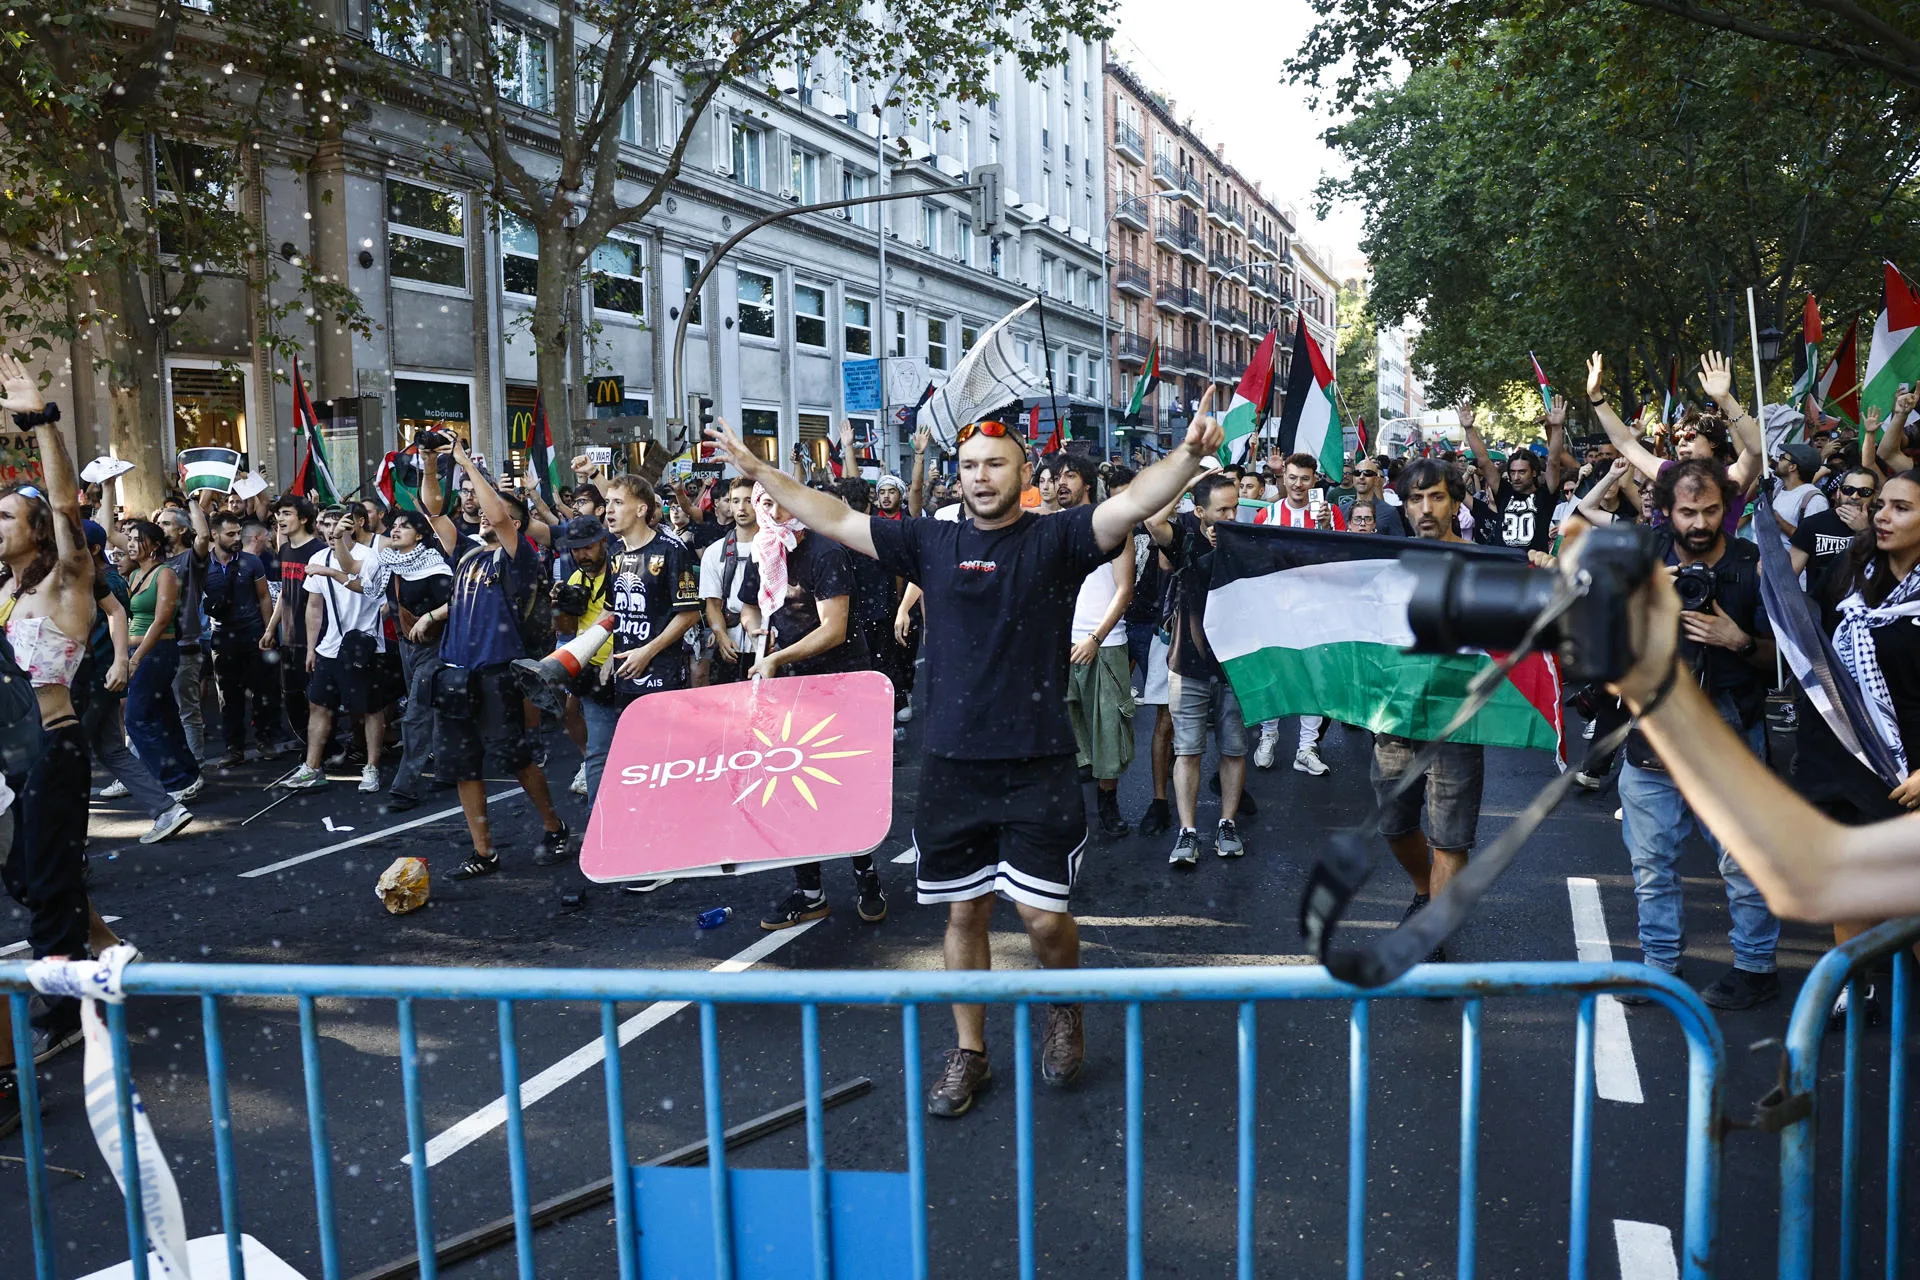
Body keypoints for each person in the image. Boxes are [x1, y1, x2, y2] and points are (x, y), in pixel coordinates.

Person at [705, 392, 1226, 1120]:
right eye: (970, 465)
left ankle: (1064, 1006)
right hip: (951, 766)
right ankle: (971, 1052)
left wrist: (1190, 457)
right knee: (964, 915)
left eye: (996, 464)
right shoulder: (930, 540)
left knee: (1044, 921)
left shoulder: (1060, 538)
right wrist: (762, 468)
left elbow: (1133, 502)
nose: (981, 476)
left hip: (1037, 763)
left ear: (1024, 472)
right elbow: (831, 515)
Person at [1613, 458, 1782, 1009]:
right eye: (1688, 511)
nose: (1701, 523)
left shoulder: (1753, 564)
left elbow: (1786, 662)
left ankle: (1756, 968)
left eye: (1712, 509)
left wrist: (1738, 640)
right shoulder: (1641, 559)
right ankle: (1659, 966)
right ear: (1666, 511)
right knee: (1650, 865)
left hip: (1731, 737)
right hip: (1655, 742)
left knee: (1744, 862)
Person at [0, 357, 107, 1061]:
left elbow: (69, 505)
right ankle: (110, 954)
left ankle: (67, 1009)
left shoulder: (63, 586)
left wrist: (39, 422)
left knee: (46, 880)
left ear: (36, 530)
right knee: (29, 874)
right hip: (8, 759)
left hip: (52, 749)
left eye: (7, 513)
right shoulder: (2, 593)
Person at [420, 440, 572, 878]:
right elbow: (434, 511)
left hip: (496, 673)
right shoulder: (466, 551)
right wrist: (432, 464)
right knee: (464, 766)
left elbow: (502, 515)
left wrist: (468, 461)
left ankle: (554, 826)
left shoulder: (519, 556)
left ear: (518, 523)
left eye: (495, 510)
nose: (484, 513)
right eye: (483, 508)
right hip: (456, 673)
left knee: (516, 759)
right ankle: (484, 851)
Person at [742, 482, 887, 928]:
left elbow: (833, 629)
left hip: (839, 681)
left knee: (841, 786)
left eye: (780, 501)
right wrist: (756, 634)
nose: (772, 510)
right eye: (764, 502)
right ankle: (810, 893)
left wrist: (777, 656)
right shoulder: (762, 549)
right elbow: (750, 607)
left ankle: (866, 878)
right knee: (789, 788)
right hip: (788, 685)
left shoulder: (824, 551)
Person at [1370, 459, 1490, 961]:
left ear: (1455, 502)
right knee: (1395, 824)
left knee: (1450, 836)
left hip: (1457, 720)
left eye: (1436, 497)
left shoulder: (1484, 563)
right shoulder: (1380, 561)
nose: (1425, 508)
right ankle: (1424, 891)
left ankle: (1432, 938)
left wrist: (1546, 569)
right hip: (1395, 716)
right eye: (1415, 498)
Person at [1146, 472, 1248, 866]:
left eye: (1235, 507)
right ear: (1199, 511)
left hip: (1236, 665)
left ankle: (1227, 823)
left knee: (1234, 749)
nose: (1230, 515)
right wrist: (1187, 480)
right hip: (1187, 663)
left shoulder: (1246, 543)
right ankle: (1187, 832)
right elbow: (1154, 522)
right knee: (1187, 751)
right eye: (1222, 509)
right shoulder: (1185, 541)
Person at [78, 522, 192, 843]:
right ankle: (167, 808)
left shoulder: (106, 581)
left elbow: (156, 620)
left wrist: (130, 659)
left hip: (106, 674)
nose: (129, 545)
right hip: (111, 670)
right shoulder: (116, 576)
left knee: (133, 724)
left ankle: (68, 836)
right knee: (115, 749)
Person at [285, 505, 391, 792]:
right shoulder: (319, 557)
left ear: (352, 527)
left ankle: (371, 767)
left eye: (337, 524)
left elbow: (369, 589)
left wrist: (370, 630)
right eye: (327, 525)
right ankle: (312, 767)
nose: (331, 530)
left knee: (369, 708)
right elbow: (314, 608)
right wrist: (311, 648)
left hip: (364, 647)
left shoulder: (369, 557)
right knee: (318, 704)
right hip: (330, 647)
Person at [1057, 455, 1135, 840]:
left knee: (1108, 730)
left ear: (1087, 482)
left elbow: (1124, 589)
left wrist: (1096, 637)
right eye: (1055, 476)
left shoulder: (1112, 525)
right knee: (1063, 732)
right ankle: (1070, 808)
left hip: (1104, 644)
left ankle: (1108, 805)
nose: (1060, 482)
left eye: (1069, 475)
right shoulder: (1048, 527)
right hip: (1058, 645)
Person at [121, 518, 203, 801]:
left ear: (155, 546)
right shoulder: (134, 575)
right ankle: (187, 776)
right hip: (139, 652)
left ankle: (171, 780)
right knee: (164, 715)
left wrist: (136, 658)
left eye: (137, 539)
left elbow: (160, 621)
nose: (131, 544)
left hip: (156, 653)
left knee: (137, 719)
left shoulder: (165, 574)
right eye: (129, 539)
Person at [201, 506, 276, 767]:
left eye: (237, 533)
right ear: (214, 535)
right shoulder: (203, 565)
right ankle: (234, 748)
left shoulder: (251, 562)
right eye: (230, 534)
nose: (235, 538)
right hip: (222, 636)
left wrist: (268, 632)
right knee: (228, 695)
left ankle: (264, 740)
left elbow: (264, 596)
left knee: (261, 690)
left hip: (253, 633)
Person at [1459, 396, 1572, 554]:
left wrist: (1557, 427)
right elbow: (1484, 460)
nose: (1516, 477)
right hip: (1503, 568)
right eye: (1512, 472)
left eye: (1522, 472)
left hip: (1532, 568)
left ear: (1534, 472)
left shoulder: (1545, 495)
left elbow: (1553, 460)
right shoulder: (1504, 492)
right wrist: (1469, 429)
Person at [264, 494, 323, 750]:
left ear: (304, 518)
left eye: (287, 513)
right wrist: (270, 629)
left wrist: (313, 646)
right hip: (287, 637)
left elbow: (320, 602)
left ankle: (322, 751)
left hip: (313, 638)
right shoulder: (286, 549)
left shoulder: (318, 551)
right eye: (278, 514)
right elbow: (285, 593)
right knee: (291, 697)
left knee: (317, 700)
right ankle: (310, 747)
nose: (280, 518)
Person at [700, 476, 757, 686]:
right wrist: (721, 636)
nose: (741, 508)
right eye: (735, 501)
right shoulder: (715, 552)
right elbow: (712, 604)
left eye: (749, 500)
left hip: (771, 642)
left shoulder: (777, 548)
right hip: (732, 643)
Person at [1770, 443, 1830, 536]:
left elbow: (1811, 539)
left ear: (1792, 467)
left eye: (1782, 457)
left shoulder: (1815, 500)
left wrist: (1778, 520)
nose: (1778, 461)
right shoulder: (1778, 488)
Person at [1342, 459, 1406, 536]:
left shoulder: (1390, 512)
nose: (1361, 477)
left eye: (1368, 473)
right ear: (1353, 478)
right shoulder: (1342, 510)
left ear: (1376, 479)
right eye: (1357, 473)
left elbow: (1399, 544)